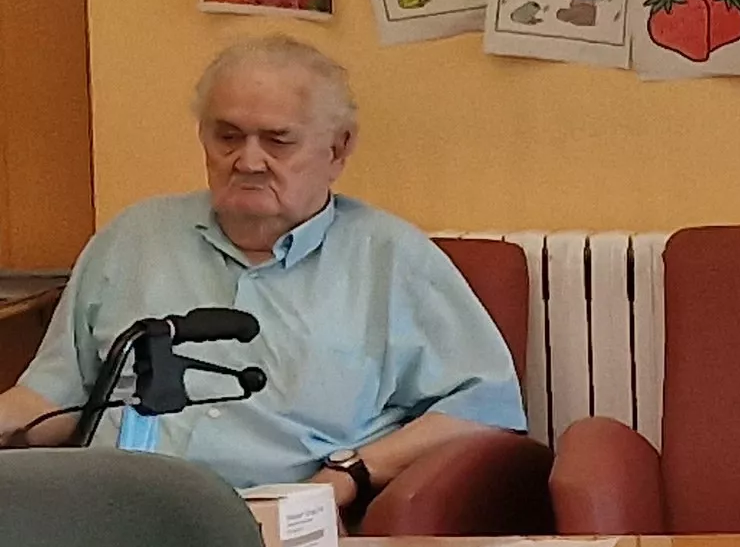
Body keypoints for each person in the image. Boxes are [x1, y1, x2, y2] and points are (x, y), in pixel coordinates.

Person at [0, 35, 524, 513]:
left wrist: (349, 474)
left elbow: (485, 408)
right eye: (227, 137)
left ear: (338, 148)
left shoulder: (391, 259)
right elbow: (53, 401)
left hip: (274, 520)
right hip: (110, 513)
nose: (248, 162)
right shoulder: (134, 237)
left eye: (278, 141)